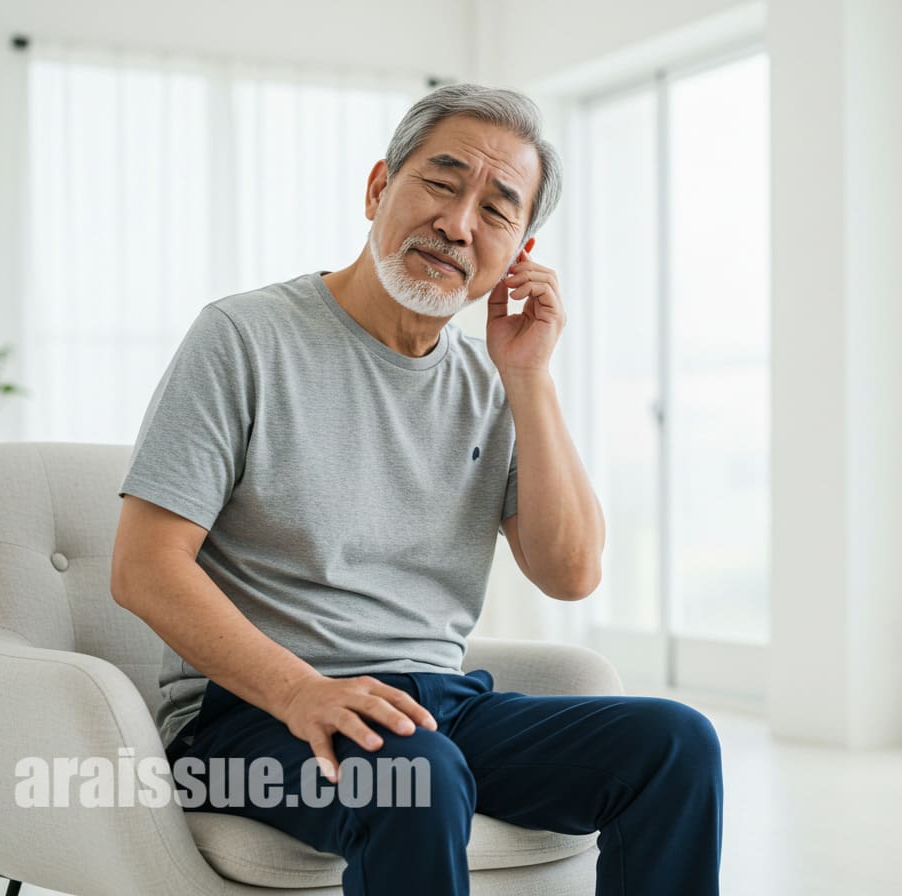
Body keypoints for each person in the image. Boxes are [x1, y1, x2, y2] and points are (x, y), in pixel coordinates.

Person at [111, 82, 722, 896]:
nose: (458, 223)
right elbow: (145, 567)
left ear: (520, 252)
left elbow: (571, 571)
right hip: (245, 722)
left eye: (498, 209)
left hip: (435, 707)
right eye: (440, 182)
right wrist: (301, 690)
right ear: (378, 188)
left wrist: (530, 377)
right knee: (413, 773)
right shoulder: (243, 337)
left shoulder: (495, 381)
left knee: (674, 742)